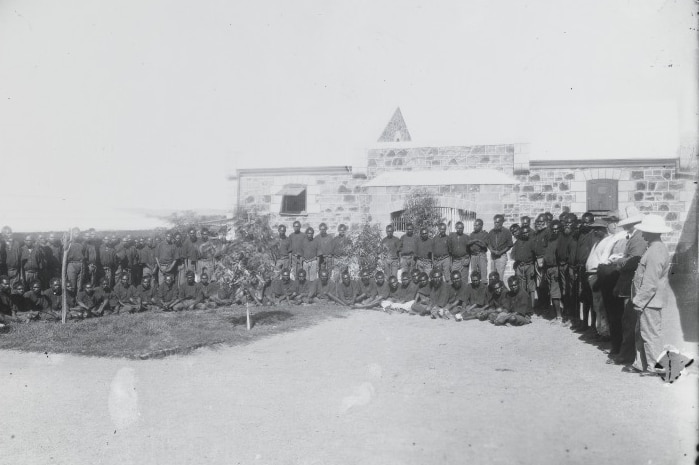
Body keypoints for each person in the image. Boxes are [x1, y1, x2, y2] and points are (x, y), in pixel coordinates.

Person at [624, 215, 671, 375]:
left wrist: (639, 301)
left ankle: (655, 366)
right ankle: (641, 363)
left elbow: (650, 282)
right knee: (642, 332)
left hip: (650, 301)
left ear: (652, 232)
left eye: (645, 231)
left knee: (650, 334)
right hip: (647, 301)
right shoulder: (653, 248)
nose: (642, 234)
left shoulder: (656, 250)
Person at [609, 208, 647, 364]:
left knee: (629, 320)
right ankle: (628, 354)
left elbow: (633, 261)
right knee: (628, 319)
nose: (624, 227)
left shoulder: (638, 239)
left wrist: (618, 261)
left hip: (632, 283)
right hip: (629, 283)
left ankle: (626, 355)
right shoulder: (635, 236)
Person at [511, 225, 536, 308]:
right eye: (523, 233)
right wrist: (518, 261)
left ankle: (532, 307)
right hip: (520, 266)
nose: (525, 234)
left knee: (531, 288)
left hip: (530, 265)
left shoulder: (532, 241)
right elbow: (512, 254)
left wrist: (534, 268)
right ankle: (523, 305)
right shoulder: (517, 242)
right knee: (522, 287)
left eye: (526, 232)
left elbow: (536, 255)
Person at [486, 214, 513, 280]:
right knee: (492, 276)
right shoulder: (491, 232)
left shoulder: (507, 232)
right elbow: (488, 243)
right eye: (495, 222)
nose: (495, 224)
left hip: (501, 256)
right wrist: (491, 250)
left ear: (501, 222)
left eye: (497, 222)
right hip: (493, 256)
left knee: (500, 277)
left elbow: (509, 245)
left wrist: (500, 252)